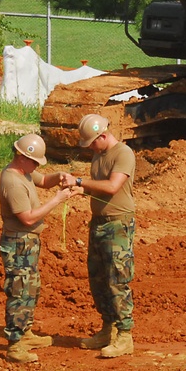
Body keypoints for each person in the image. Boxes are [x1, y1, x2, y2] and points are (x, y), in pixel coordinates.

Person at [0, 133, 81, 363]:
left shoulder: (23, 172)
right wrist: (57, 200)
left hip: (28, 243)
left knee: (31, 289)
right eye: (35, 161)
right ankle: (15, 346)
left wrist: (60, 176)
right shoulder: (13, 181)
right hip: (18, 243)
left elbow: (43, 180)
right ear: (22, 157)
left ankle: (26, 333)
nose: (36, 166)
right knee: (20, 292)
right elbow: (27, 218)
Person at [63, 113, 136, 358]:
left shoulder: (123, 154)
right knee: (98, 278)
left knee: (117, 279)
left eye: (93, 142)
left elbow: (113, 186)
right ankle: (108, 328)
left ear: (103, 135)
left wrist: (81, 181)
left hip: (117, 225)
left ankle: (125, 336)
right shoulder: (99, 154)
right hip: (99, 223)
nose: (91, 147)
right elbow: (100, 188)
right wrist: (79, 190)